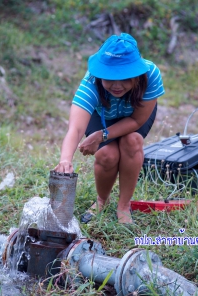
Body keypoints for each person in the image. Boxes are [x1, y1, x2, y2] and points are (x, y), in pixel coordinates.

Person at [54, 33, 165, 224]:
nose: (116, 85)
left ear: (136, 74)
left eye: (124, 78)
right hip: (103, 114)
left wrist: (102, 135)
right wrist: (65, 160)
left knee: (132, 141)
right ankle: (101, 200)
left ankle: (123, 206)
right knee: (107, 155)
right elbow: (76, 128)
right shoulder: (91, 82)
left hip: (133, 116)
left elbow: (137, 121)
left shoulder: (150, 74)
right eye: (110, 78)